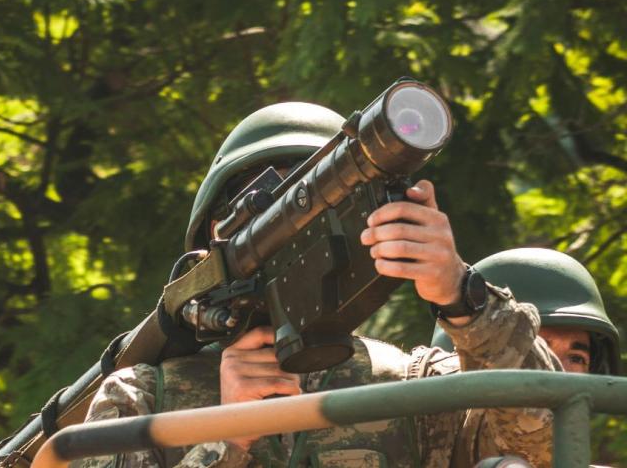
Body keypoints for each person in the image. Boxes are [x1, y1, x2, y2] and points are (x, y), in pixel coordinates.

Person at [71, 102, 558, 468]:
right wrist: (224, 438)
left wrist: (462, 295)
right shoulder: (142, 398)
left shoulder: (419, 389)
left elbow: (549, 446)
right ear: (213, 242)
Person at [429, 247, 621, 466]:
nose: (557, 369)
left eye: (576, 358)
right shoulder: (414, 424)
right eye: (539, 349)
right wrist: (460, 298)